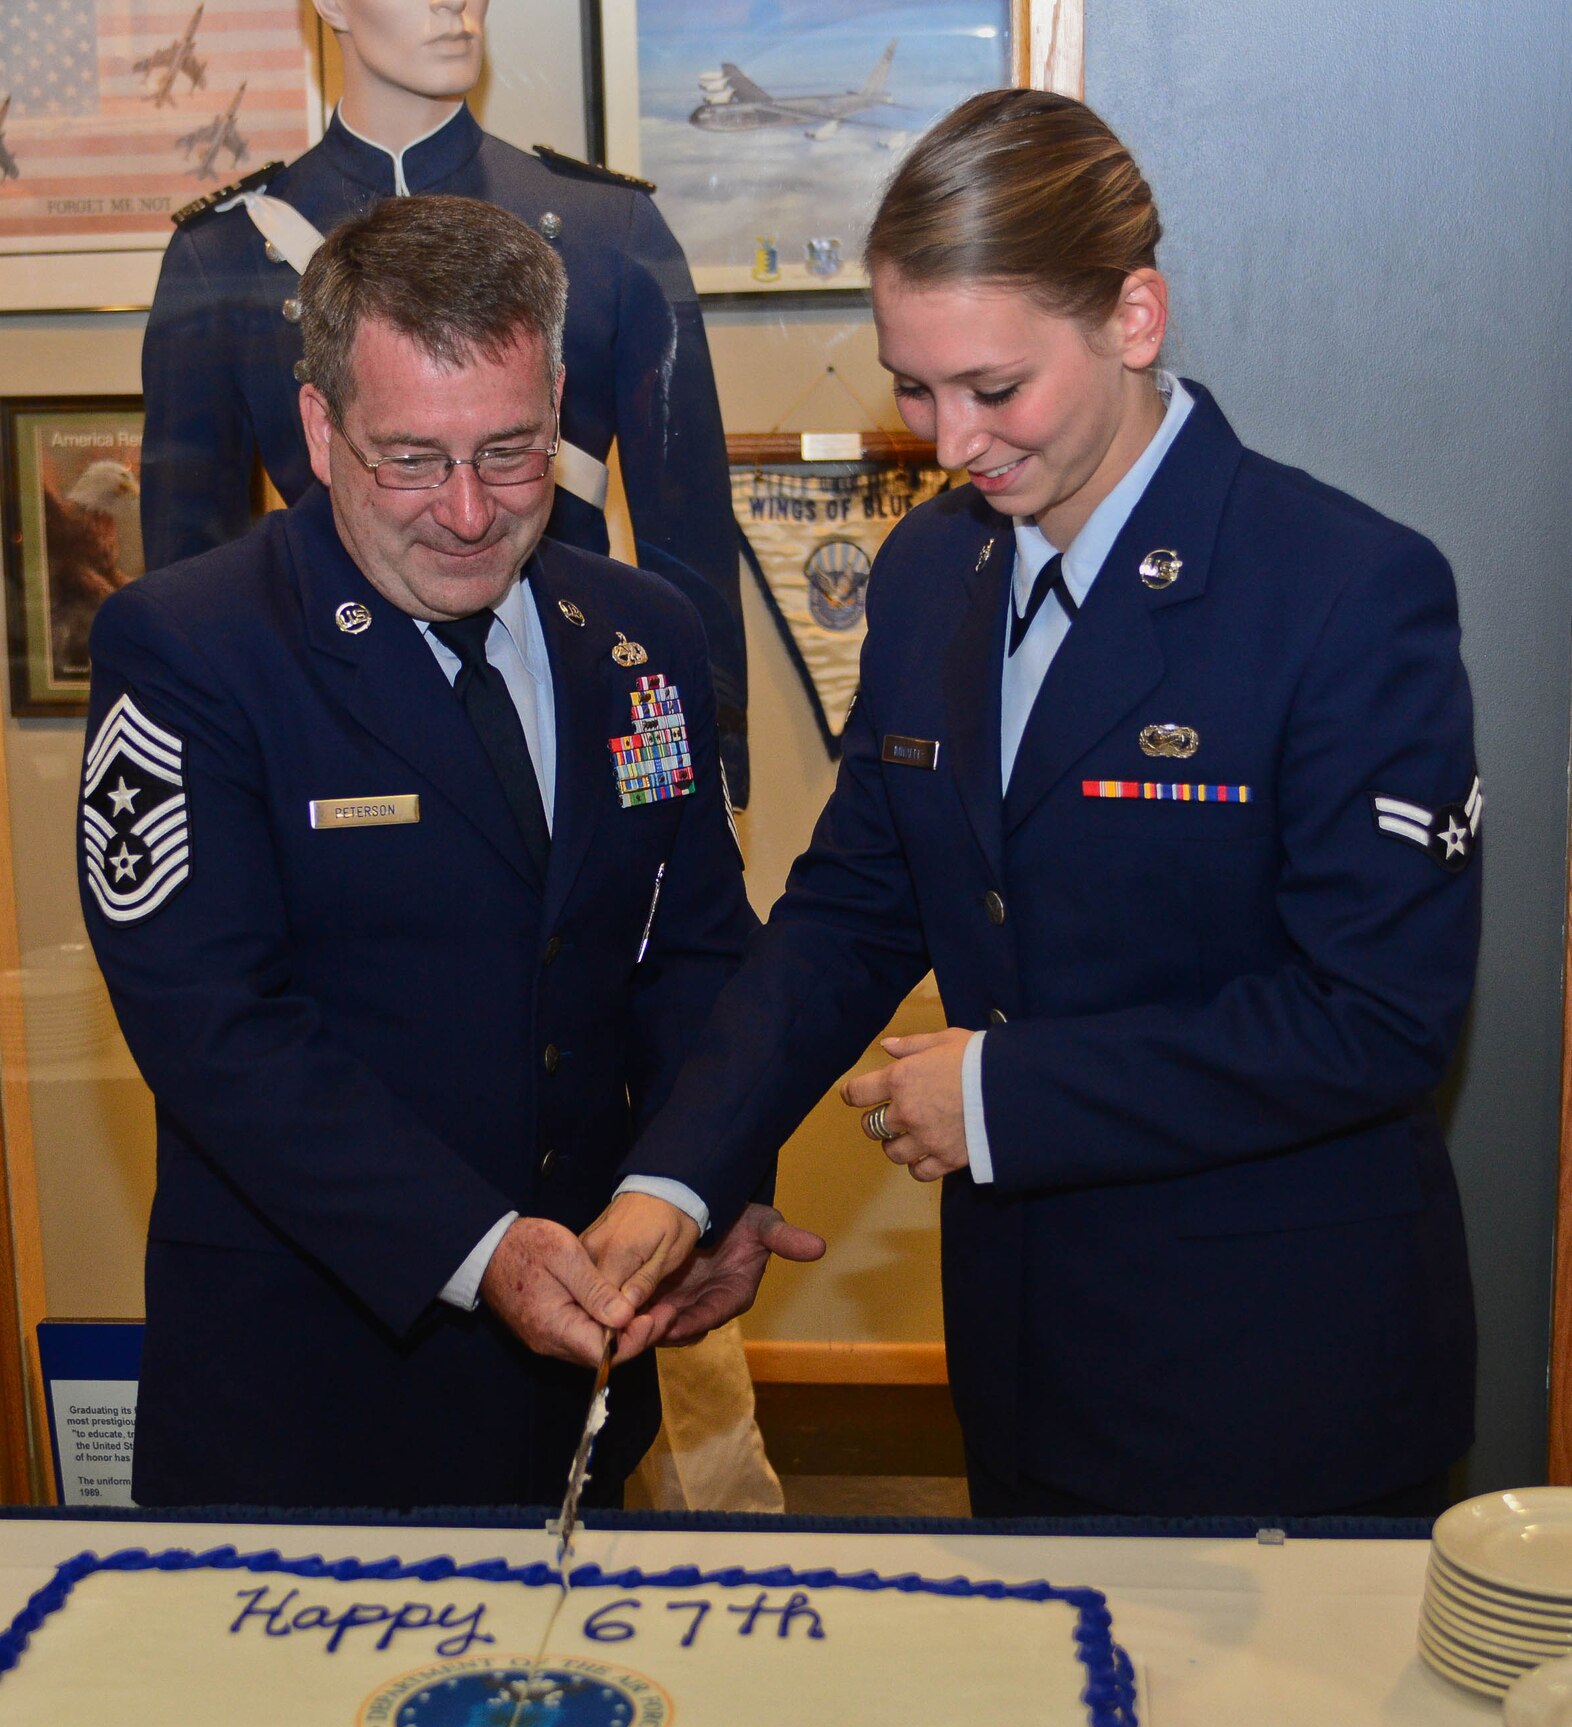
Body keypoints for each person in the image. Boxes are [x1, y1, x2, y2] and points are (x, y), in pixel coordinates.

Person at [582, 90, 1482, 1519]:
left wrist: (1001, 1094)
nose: (948, 441)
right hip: (1021, 1362)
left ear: (1135, 317)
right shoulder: (936, 572)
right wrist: (679, 1179)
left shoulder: (1342, 590)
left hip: (1279, 1371)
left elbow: (1375, 1016)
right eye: (915, 387)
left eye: (995, 390)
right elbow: (850, 912)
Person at [79, 194, 815, 1509]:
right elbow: (217, 1030)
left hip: (582, 1385)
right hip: (308, 1393)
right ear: (319, 430)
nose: (470, 514)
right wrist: (483, 1253)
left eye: (513, 452)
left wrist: (709, 1178)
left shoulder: (641, 636)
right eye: (411, 459)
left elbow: (693, 939)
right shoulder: (191, 652)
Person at [138, 0, 751, 799]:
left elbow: (688, 543)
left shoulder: (612, 230)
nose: (454, 5)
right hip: (337, 727)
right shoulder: (221, 259)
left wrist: (706, 790)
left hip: (572, 706)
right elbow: (193, 574)